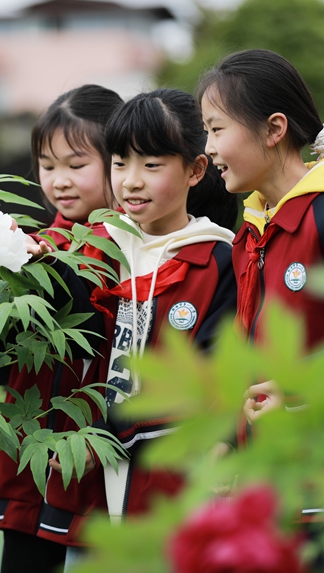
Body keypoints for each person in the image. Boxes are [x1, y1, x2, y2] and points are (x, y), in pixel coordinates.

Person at [27, 89, 238, 561]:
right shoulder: (107, 251)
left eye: (151, 165)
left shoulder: (218, 258)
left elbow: (203, 381)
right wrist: (39, 270)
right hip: (102, 490)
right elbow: (87, 344)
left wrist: (100, 437)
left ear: (195, 170)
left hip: (181, 483)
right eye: (120, 163)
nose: (131, 182)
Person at [196, 47, 324, 467]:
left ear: (274, 129)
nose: (208, 147)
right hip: (272, 487)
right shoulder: (249, 235)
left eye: (217, 129)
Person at [0, 84, 122, 573]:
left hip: (96, 460)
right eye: (47, 165)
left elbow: (92, 331)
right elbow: (3, 372)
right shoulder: (32, 246)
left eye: (76, 164)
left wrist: (52, 273)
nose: (59, 180)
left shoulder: (130, 248)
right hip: (28, 461)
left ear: (119, 162)